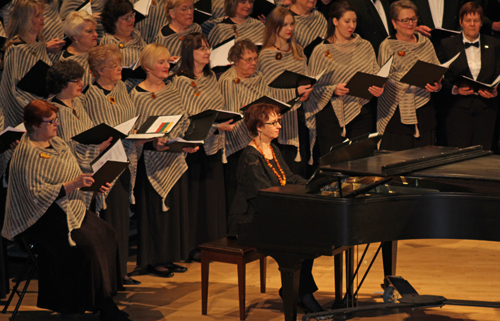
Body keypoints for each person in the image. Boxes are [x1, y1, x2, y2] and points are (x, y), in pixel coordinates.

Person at [1, 100, 128, 321]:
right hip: (38, 216)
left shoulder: (58, 144)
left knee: (108, 234)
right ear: (33, 125)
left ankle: (104, 297)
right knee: (86, 245)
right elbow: (35, 194)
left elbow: (73, 172)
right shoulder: (26, 153)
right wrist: (74, 185)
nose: (56, 124)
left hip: (66, 205)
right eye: (50, 121)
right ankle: (93, 304)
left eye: (56, 120)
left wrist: (94, 183)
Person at [228, 102, 322, 313]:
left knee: (309, 236)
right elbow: (263, 195)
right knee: (300, 239)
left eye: (278, 121)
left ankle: (298, 291)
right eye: (273, 123)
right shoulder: (250, 156)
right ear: (259, 127)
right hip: (250, 219)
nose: (279, 126)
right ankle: (301, 294)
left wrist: (314, 183)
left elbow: (288, 178)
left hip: (271, 212)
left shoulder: (273, 149)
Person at [131, 43, 197, 276]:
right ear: (147, 66)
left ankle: (170, 256)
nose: (167, 66)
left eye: (168, 61)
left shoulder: (173, 89)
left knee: (174, 210)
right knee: (155, 213)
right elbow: (135, 130)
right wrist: (152, 142)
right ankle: (154, 259)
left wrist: (186, 142)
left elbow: (184, 119)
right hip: (151, 160)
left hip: (174, 157)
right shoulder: (136, 95)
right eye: (161, 62)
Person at [81, 44, 140, 285]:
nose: (119, 68)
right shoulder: (90, 95)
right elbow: (92, 130)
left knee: (122, 220)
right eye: (114, 65)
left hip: (126, 158)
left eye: (120, 63)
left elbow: (130, 116)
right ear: (98, 70)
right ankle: (109, 276)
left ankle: (122, 271)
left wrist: (135, 133)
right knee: (109, 219)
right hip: (105, 162)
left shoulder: (123, 89)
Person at [172, 33, 232, 258]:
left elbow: (218, 106)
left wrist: (222, 123)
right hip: (193, 147)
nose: (207, 52)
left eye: (208, 47)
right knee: (195, 199)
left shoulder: (211, 77)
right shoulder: (180, 80)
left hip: (214, 143)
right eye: (201, 49)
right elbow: (187, 116)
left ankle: (212, 243)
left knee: (212, 197)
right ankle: (194, 247)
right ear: (189, 53)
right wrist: (215, 126)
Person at [306, 0, 384, 157]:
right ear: (335, 21)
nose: (352, 26)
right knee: (334, 162)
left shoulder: (365, 46)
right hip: (331, 116)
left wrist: (378, 88)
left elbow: (376, 75)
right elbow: (312, 89)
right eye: (347, 21)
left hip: (361, 111)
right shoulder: (321, 51)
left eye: (354, 21)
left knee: (360, 162)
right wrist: (333, 90)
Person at [47, 59, 112, 210]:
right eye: (76, 81)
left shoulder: (78, 103)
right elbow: (65, 151)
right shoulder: (54, 111)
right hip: (70, 182)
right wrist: (97, 149)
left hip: (87, 175)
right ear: (62, 84)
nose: (82, 84)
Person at [377, 0, 441, 151]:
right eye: (405, 20)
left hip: (425, 110)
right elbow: (383, 79)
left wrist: (437, 85)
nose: (410, 23)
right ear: (394, 23)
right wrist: (408, 80)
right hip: (396, 112)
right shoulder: (387, 45)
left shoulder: (425, 43)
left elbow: (437, 71)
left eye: (413, 19)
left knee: (424, 161)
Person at [257, 7, 314, 176]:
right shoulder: (266, 56)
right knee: (287, 169)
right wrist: (295, 91)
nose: (290, 29)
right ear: (274, 27)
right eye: (285, 25)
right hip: (281, 120)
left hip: (303, 116)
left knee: (304, 169)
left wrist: (308, 90)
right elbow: (267, 92)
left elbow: (306, 79)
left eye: (291, 24)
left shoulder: (298, 52)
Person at [438, 2, 500, 150]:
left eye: (476, 20)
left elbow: (498, 72)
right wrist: (455, 89)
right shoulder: (447, 44)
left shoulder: (494, 43)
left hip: (487, 109)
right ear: (461, 22)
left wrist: (496, 91)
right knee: (458, 156)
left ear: (481, 22)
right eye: (468, 20)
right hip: (458, 108)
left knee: (483, 155)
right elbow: (441, 76)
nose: (472, 24)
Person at [0, 0, 53, 128]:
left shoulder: (41, 44)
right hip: (25, 112)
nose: (42, 18)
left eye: (42, 14)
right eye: (37, 15)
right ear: (25, 19)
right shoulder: (16, 49)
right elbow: (13, 91)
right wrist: (38, 111)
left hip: (44, 104)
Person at [100, 0, 147, 91]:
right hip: (123, 90)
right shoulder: (108, 43)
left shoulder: (137, 36)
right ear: (113, 21)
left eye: (132, 15)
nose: (132, 20)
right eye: (126, 18)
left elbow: (148, 55)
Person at [154, 0, 202, 64]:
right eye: (184, 9)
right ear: (172, 14)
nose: (190, 12)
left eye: (191, 8)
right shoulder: (165, 36)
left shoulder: (196, 29)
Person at [60, 11, 99, 87]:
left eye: (95, 30)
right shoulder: (67, 63)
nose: (96, 34)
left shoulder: (99, 51)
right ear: (75, 36)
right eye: (89, 31)